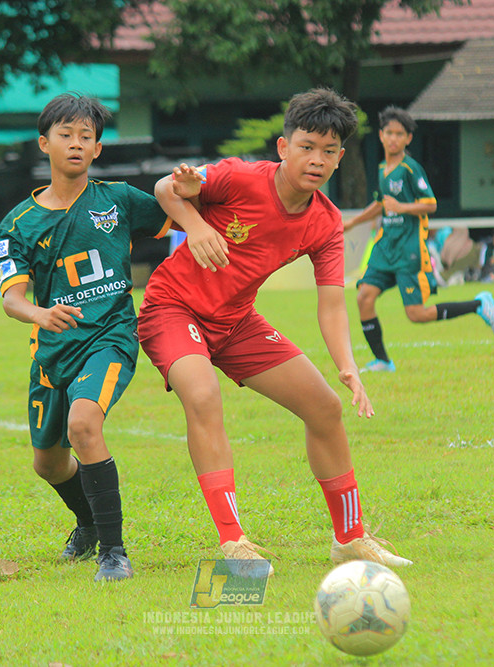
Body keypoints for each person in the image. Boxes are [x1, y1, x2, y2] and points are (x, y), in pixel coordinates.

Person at [139, 88, 411, 574]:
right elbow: (165, 189)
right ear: (283, 147)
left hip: (236, 320)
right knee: (203, 396)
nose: (317, 159)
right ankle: (234, 542)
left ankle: (349, 539)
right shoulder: (241, 176)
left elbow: (331, 305)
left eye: (329, 151)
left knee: (325, 407)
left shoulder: (325, 222)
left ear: (340, 158)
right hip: (172, 308)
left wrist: (349, 368)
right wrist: (194, 224)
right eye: (307, 146)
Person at [0, 94, 172, 582]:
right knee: (48, 464)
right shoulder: (17, 223)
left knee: (84, 425)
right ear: (43, 143)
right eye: (66, 135)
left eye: (86, 137)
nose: (76, 144)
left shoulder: (117, 200)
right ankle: (89, 523)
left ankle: (113, 553)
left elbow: (176, 216)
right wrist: (40, 313)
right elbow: (12, 299)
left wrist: (192, 194)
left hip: (110, 336)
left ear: (97, 149)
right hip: (52, 351)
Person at [344, 106, 494, 372]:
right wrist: (351, 223)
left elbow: (430, 204)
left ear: (408, 139)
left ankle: (478, 304)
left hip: (409, 250)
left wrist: (402, 208)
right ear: (380, 136)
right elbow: (381, 203)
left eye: (399, 134)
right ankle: (383, 361)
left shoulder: (410, 168)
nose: (393, 138)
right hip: (386, 247)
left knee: (416, 314)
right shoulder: (383, 167)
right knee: (364, 297)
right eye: (389, 133)